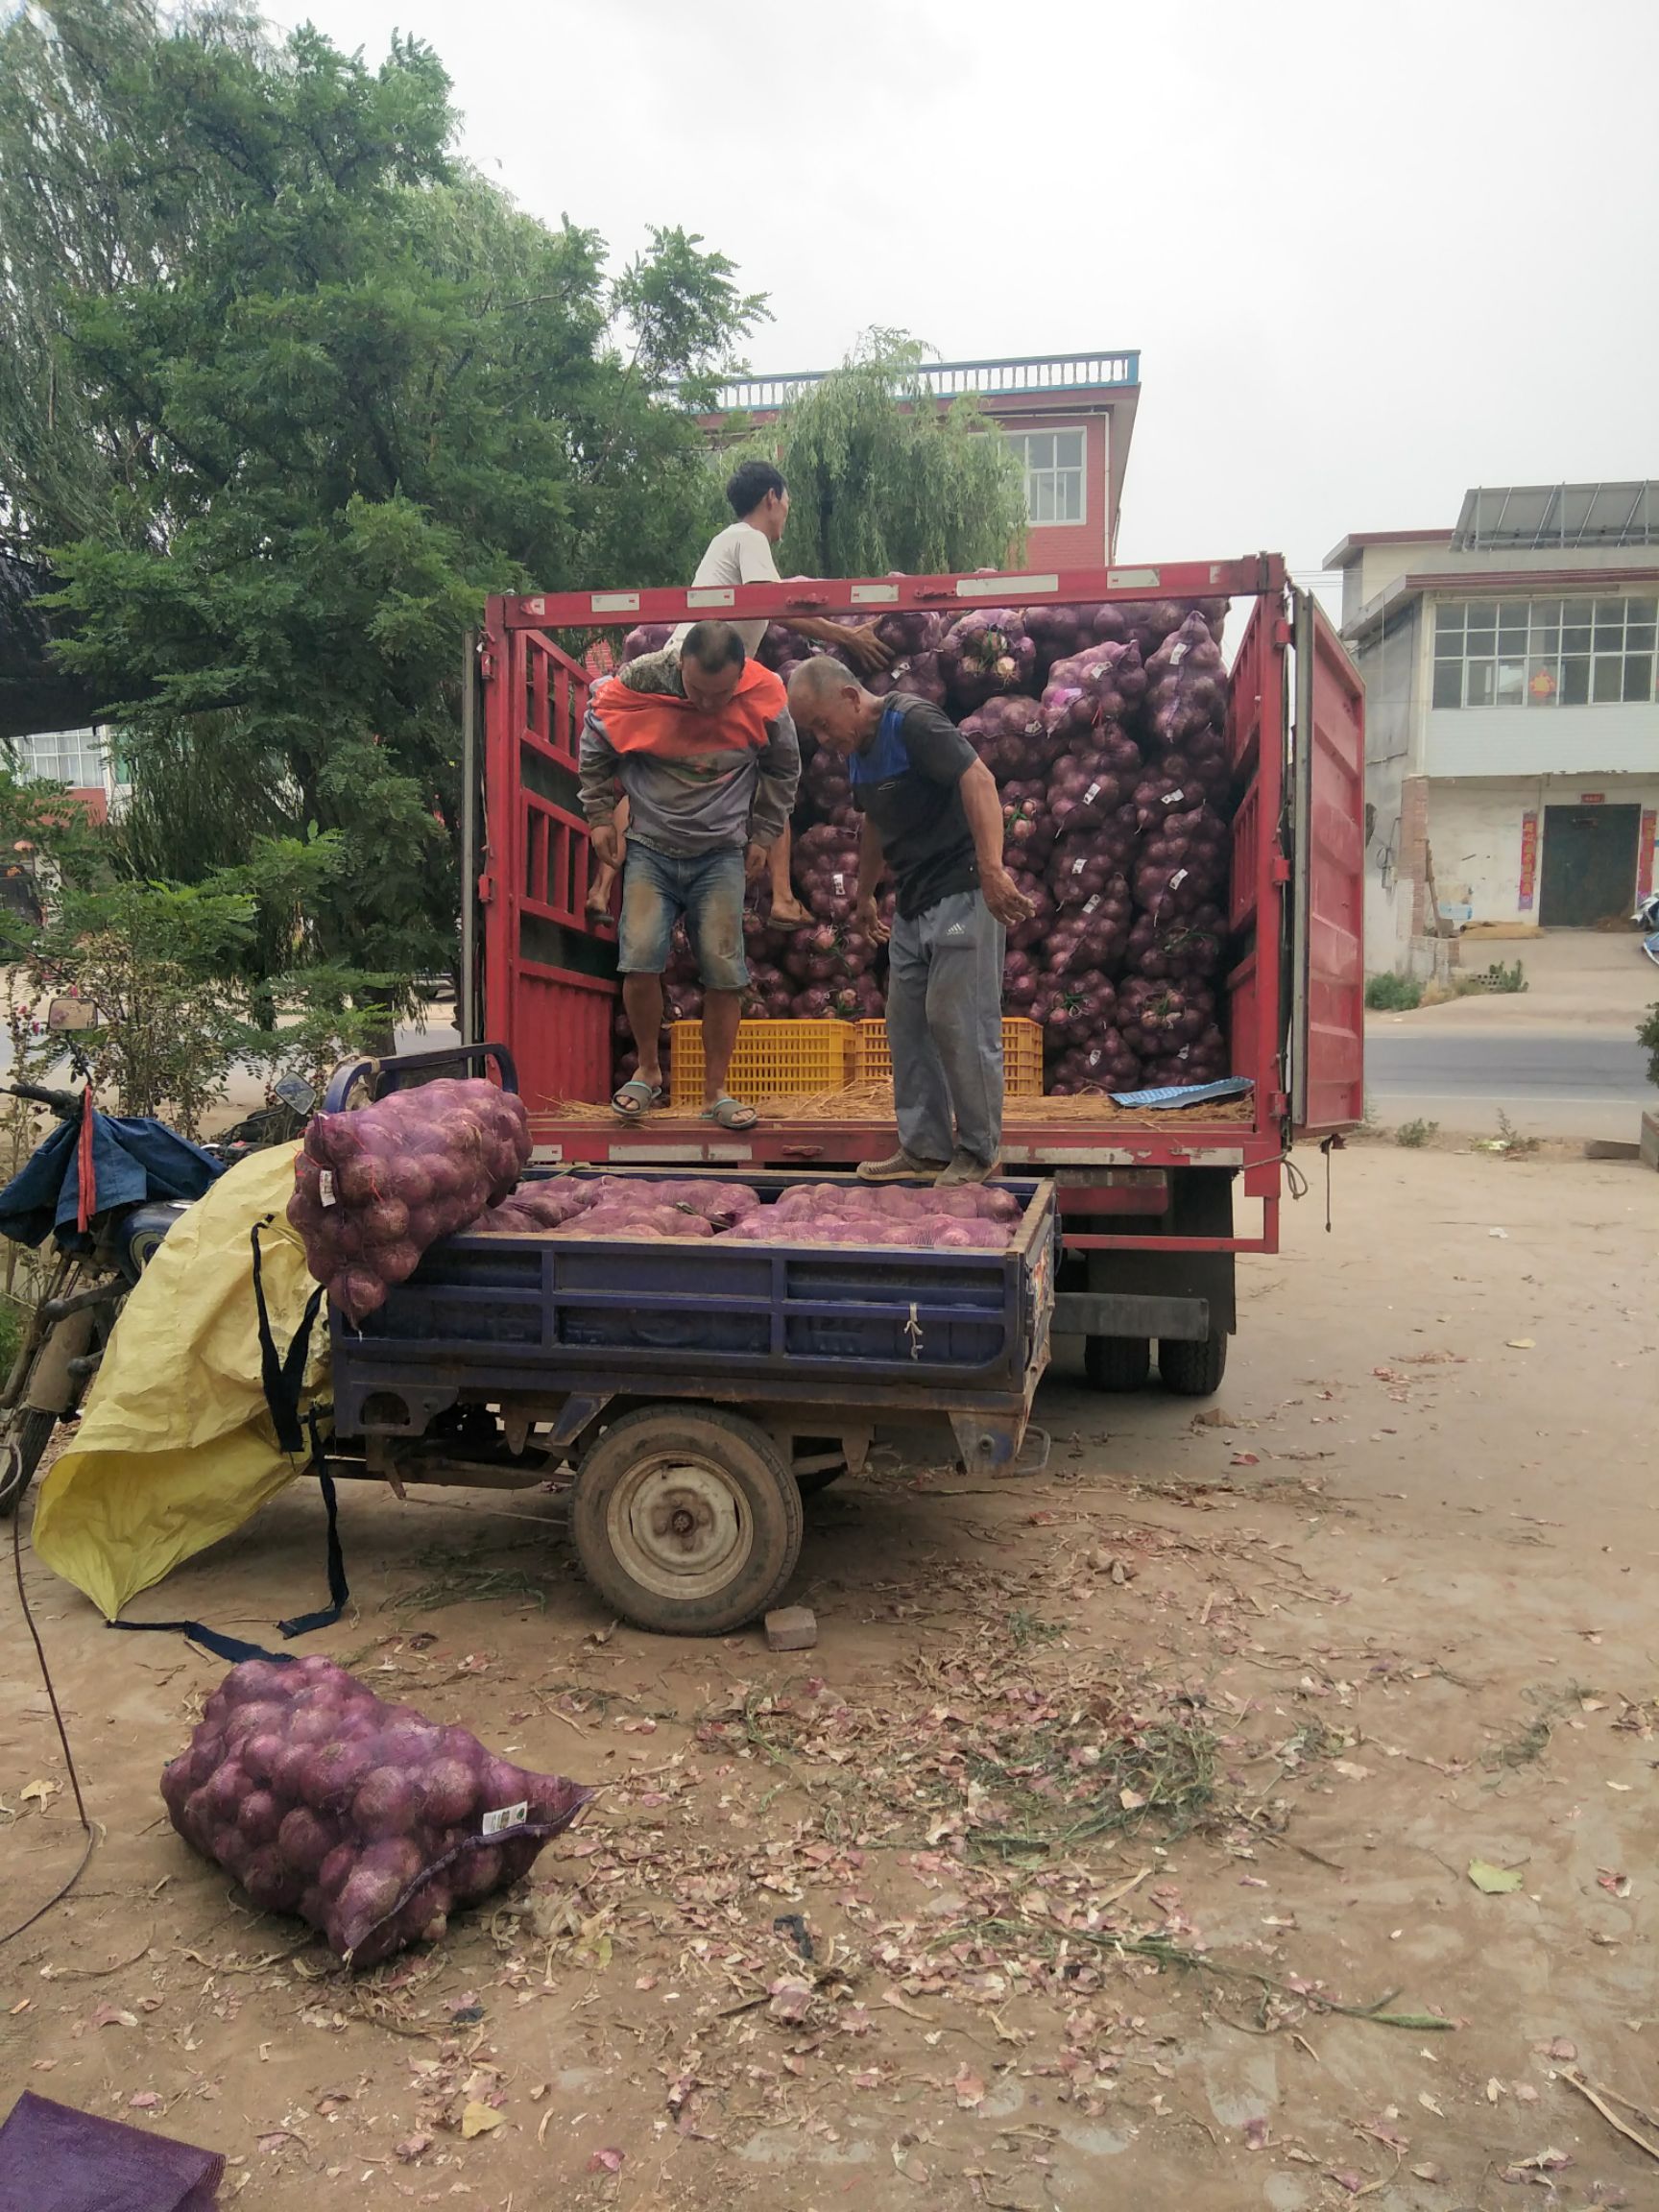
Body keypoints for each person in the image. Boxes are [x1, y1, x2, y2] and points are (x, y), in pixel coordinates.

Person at [585, 460, 891, 929]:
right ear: (772, 496)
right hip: (704, 680)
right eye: (787, 500)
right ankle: (784, 898)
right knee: (773, 764)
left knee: (643, 768)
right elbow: (772, 604)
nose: (787, 511)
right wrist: (844, 636)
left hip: (687, 676)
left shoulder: (727, 542)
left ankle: (602, 888)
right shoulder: (750, 539)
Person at [786, 656, 1034, 1187]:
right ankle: (924, 1148)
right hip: (913, 900)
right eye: (813, 731)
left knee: (956, 1016)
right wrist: (866, 894)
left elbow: (979, 778)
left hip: (962, 887)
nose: (823, 737)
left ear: (851, 697)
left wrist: (991, 869)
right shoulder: (858, 754)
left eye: (823, 723)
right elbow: (875, 822)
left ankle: (978, 1147)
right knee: (906, 1023)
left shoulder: (912, 721)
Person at [581, 619, 800, 1130]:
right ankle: (648, 1073)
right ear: (681, 666)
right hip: (650, 849)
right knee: (638, 958)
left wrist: (763, 834)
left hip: (721, 853)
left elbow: (784, 769)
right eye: (699, 691)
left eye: (721, 695)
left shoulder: (765, 695)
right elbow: (596, 748)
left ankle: (715, 1091)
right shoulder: (638, 682)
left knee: (726, 973)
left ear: (740, 677)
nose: (708, 705)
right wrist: (597, 817)